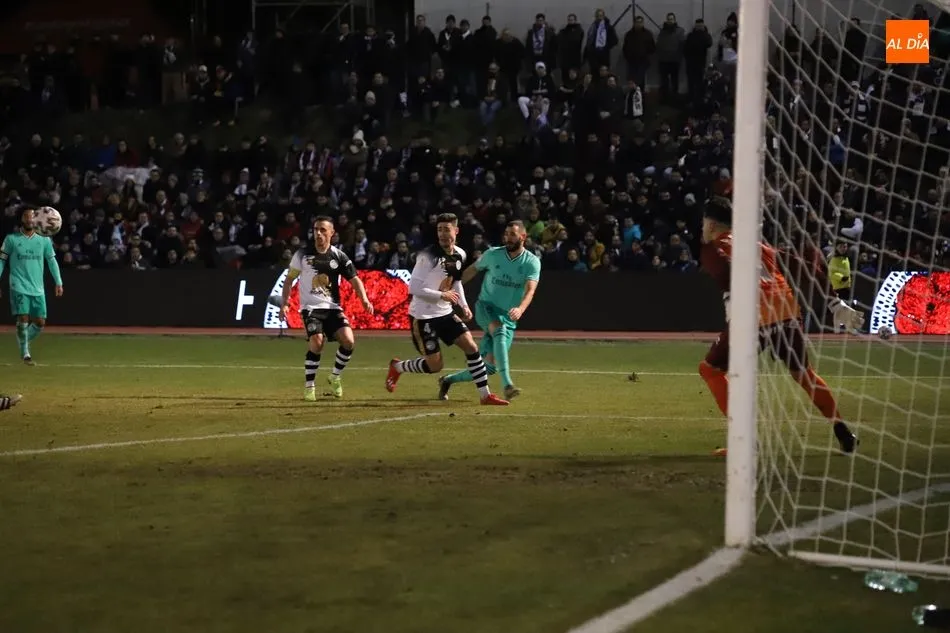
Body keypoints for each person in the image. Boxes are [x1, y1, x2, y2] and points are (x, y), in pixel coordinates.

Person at [698, 198, 860, 456]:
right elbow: (804, 266)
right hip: (787, 311)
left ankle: (744, 441)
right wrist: (834, 303)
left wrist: (732, 299)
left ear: (711, 224)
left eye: (703, 223)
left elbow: (723, 269)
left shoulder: (713, 248)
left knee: (710, 370)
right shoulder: (757, 245)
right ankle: (843, 432)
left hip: (754, 316)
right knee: (804, 374)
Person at [385, 213, 509, 406]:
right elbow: (413, 288)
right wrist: (441, 295)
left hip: (445, 313)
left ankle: (485, 396)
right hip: (423, 317)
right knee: (435, 366)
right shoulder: (427, 256)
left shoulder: (460, 254)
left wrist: (464, 305)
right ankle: (398, 367)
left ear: (456, 231)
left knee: (471, 347)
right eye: (439, 230)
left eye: (446, 229)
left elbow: (456, 281)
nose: (442, 234)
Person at [439, 220, 541, 400]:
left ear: (523, 237)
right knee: (499, 330)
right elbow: (472, 270)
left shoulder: (532, 262)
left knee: (488, 367)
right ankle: (507, 384)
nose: (507, 238)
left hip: (508, 316)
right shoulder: (493, 254)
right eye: (506, 234)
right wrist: (451, 286)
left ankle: (447, 380)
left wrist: (520, 309)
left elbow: (530, 291)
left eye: (512, 235)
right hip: (486, 307)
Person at [280, 216, 374, 400]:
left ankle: (335, 376)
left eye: (323, 230)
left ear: (332, 233)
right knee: (317, 342)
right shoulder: (302, 254)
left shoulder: (339, 256)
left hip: (333, 308)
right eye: (316, 229)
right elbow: (289, 280)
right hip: (311, 308)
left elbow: (355, 279)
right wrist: (284, 303)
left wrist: (364, 299)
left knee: (348, 341)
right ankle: (309, 387)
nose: (318, 233)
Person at [0, 208, 64, 365]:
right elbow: (1, 261)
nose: (29, 220)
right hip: (18, 284)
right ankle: (25, 353)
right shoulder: (11, 239)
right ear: (22, 219)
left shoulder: (44, 240)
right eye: (26, 217)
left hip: (37, 287)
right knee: (23, 317)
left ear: (37, 219)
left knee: (40, 322)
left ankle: (24, 339)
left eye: (32, 217)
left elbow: (51, 261)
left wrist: (58, 281)